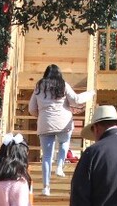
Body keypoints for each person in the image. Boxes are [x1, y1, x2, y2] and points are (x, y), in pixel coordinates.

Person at [27, 64, 92, 196]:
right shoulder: (63, 85)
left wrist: (40, 115)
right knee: (64, 143)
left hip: (45, 123)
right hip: (63, 122)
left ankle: (46, 187)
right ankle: (60, 166)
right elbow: (76, 100)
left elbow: (32, 108)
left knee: (46, 156)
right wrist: (90, 93)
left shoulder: (39, 87)